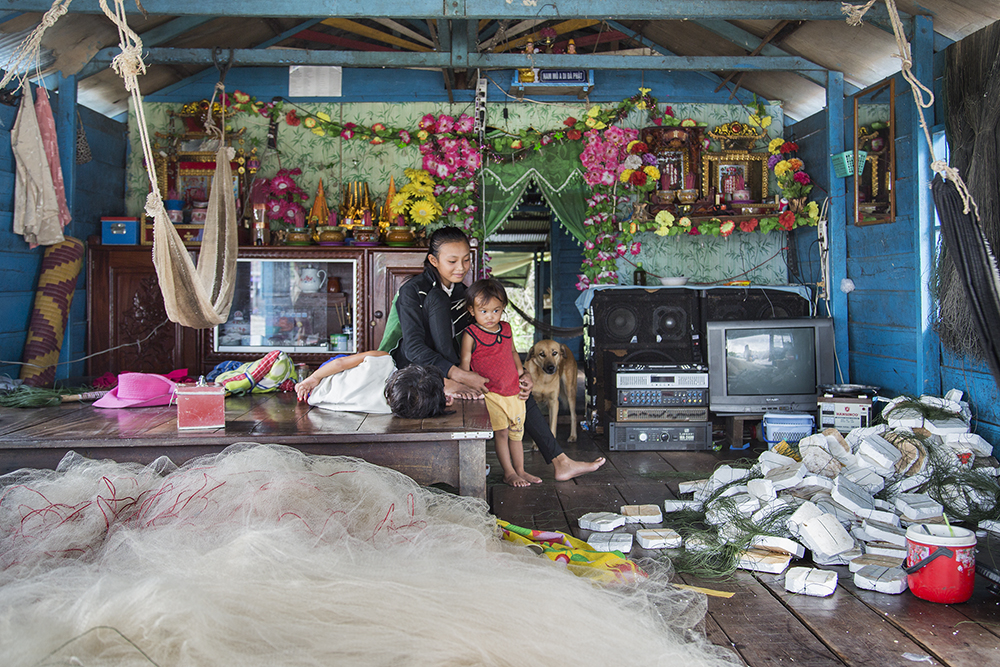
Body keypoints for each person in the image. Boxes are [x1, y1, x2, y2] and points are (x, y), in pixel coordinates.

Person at [391, 226, 605, 482]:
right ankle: (521, 466)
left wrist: (519, 373)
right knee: (437, 299)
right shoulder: (414, 291)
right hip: (417, 369)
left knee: (517, 388)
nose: (461, 267)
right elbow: (413, 348)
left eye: (466, 259)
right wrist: (458, 376)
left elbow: (488, 342)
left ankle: (561, 461)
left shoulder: (462, 294)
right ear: (433, 260)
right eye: (452, 261)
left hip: (454, 366)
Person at [460, 279, 532, 487]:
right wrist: (467, 388)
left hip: (514, 392)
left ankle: (521, 471)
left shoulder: (507, 329)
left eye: (496, 310)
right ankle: (509, 473)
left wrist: (522, 374)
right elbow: (465, 364)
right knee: (501, 433)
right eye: (483, 311)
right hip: (490, 394)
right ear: (472, 311)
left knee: (517, 434)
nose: (490, 316)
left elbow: (512, 352)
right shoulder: (471, 334)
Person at [295, 350, 458, 419]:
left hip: (326, 375)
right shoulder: (388, 410)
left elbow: (340, 363)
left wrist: (314, 378)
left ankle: (307, 378)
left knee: (348, 359)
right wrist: (439, 404)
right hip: (315, 397)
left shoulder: (384, 361)